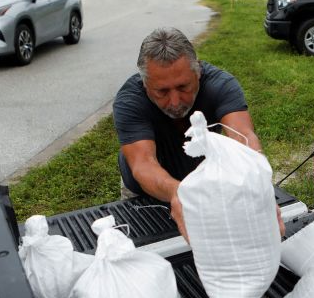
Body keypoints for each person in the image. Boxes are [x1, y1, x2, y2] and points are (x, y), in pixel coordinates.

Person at [113, 27, 281, 238]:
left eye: (183, 87)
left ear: (198, 71)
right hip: (145, 193)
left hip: (203, 186)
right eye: (162, 92)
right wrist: (177, 193)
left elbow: (243, 137)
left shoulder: (221, 85)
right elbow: (144, 163)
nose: (175, 102)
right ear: (145, 84)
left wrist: (257, 181)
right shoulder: (130, 100)